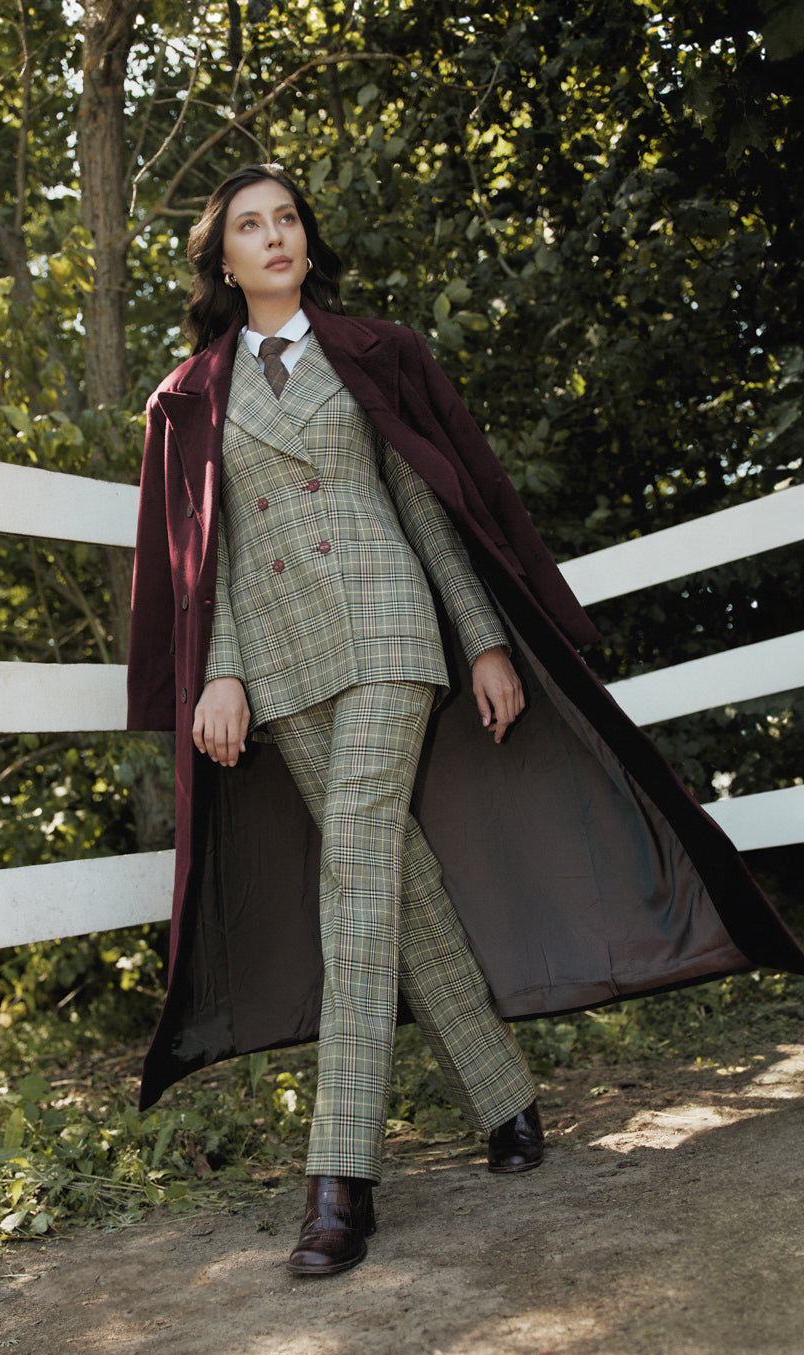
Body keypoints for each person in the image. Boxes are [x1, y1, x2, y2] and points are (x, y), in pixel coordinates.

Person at [127, 164, 804, 1277]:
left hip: (393, 632)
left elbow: (427, 503)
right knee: (397, 874)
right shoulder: (190, 396)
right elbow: (215, 564)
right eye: (249, 227)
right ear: (223, 261)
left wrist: (484, 637)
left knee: (351, 866)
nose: (274, 236)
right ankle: (504, 1100)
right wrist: (220, 676)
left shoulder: (372, 352)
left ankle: (339, 1178)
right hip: (282, 667)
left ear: (306, 239)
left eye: (288, 217)